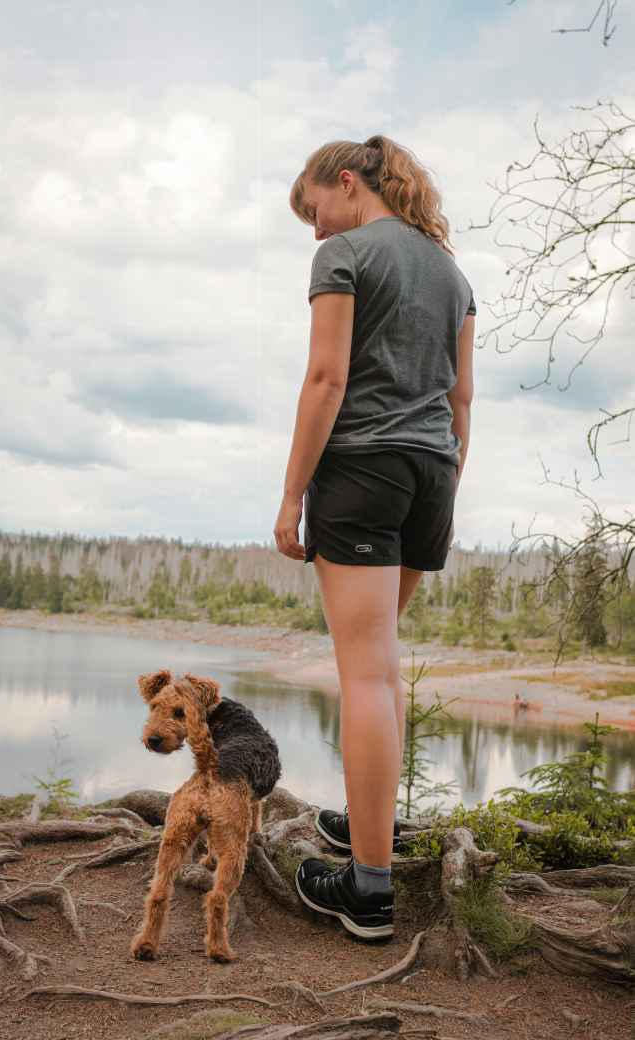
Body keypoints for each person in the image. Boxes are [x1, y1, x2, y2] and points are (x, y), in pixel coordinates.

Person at [273, 135, 476, 941]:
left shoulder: (348, 257)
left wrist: (292, 495)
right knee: (382, 671)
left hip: (362, 470)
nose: (317, 232)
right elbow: (462, 406)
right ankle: (369, 831)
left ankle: (368, 892)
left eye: (315, 212)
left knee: (362, 676)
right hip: (432, 473)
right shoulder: (451, 273)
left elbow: (326, 380)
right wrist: (440, 490)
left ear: (347, 184)